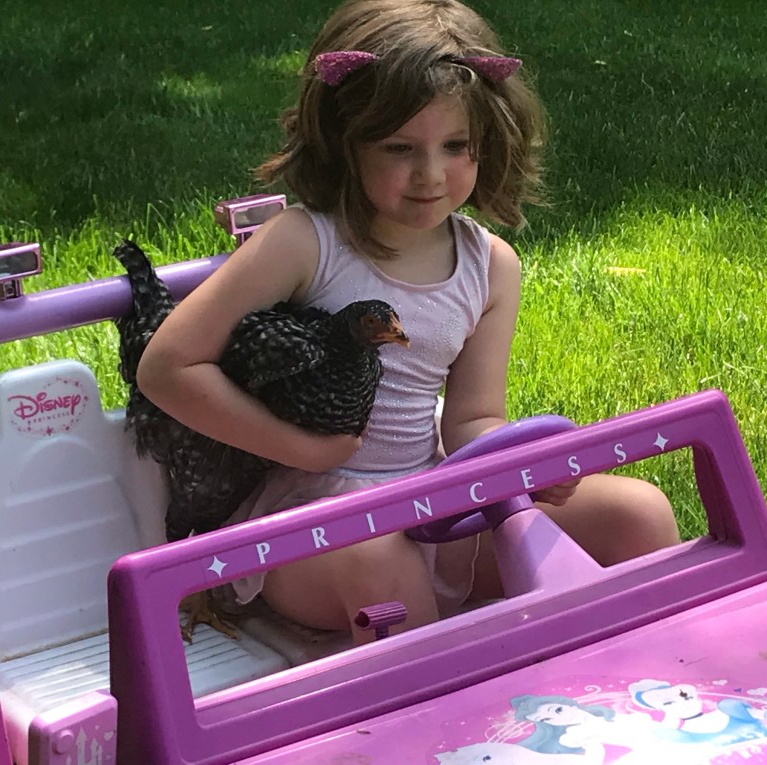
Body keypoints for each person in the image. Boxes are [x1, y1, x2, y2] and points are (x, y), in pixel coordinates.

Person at [137, 0, 680, 646]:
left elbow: (473, 420)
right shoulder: (306, 244)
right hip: (311, 529)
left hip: (434, 503)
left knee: (637, 512)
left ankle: (659, 676)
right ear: (346, 141)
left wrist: (528, 465)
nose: (430, 174)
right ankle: (447, 704)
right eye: (400, 148)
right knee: (382, 564)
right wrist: (306, 449)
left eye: (456, 146)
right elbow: (166, 367)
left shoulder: (489, 266)